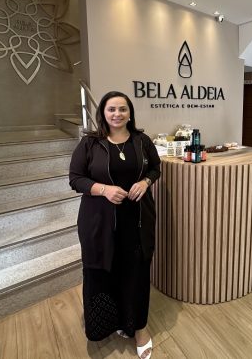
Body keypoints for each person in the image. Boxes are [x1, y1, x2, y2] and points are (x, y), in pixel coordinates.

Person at [69, 90, 160, 359]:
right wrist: (103, 190)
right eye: (112, 109)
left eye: (122, 109)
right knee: (101, 273)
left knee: (136, 274)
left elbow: (155, 168)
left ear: (130, 113)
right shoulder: (90, 143)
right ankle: (108, 323)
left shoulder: (142, 141)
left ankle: (139, 327)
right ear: (103, 113)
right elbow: (75, 178)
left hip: (137, 222)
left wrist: (146, 182)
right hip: (99, 223)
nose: (117, 114)